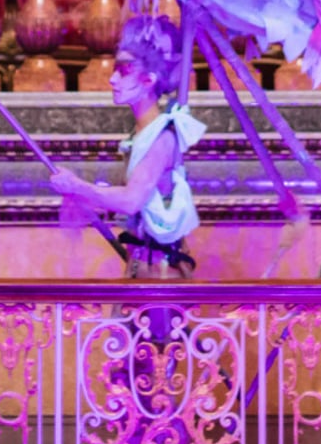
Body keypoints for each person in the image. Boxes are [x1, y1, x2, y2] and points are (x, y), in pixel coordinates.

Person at [50, 14, 205, 278]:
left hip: (160, 274)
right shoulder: (141, 133)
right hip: (141, 267)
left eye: (124, 70)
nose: (113, 79)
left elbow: (131, 200)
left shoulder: (161, 137)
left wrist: (78, 186)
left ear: (149, 80)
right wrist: (85, 196)